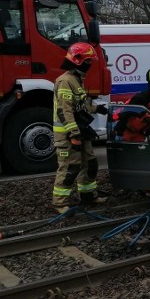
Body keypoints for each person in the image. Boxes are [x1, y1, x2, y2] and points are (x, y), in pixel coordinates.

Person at [52, 42, 109, 213]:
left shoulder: (76, 80)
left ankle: (88, 196)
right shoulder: (65, 81)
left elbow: (79, 107)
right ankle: (60, 203)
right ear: (78, 60)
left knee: (90, 164)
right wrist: (74, 134)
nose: (90, 65)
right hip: (69, 135)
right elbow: (65, 111)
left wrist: (96, 108)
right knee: (70, 168)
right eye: (88, 61)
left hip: (80, 132)